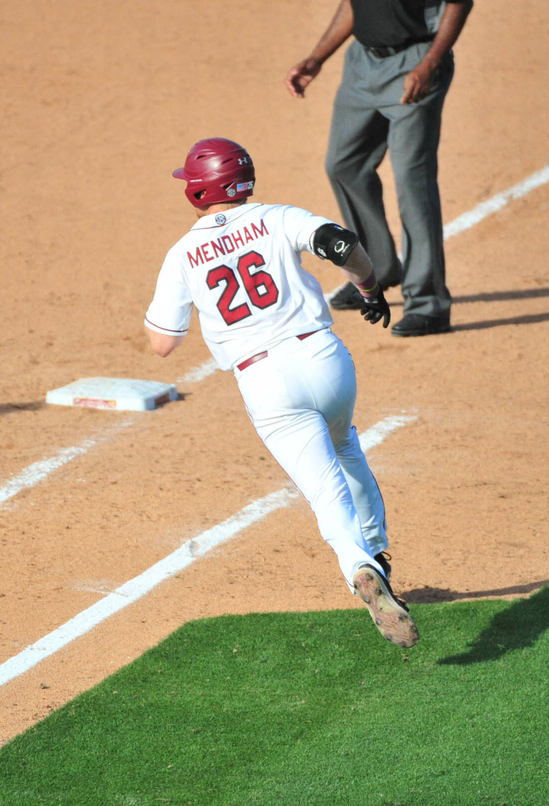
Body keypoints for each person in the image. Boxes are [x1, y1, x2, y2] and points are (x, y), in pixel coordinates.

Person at [144, 137, 418, 648]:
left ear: (199, 192)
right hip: (325, 359)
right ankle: (377, 552)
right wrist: (368, 287)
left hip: (266, 381)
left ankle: (358, 564)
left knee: (323, 489)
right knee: (346, 445)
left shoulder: (182, 254)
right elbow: (340, 243)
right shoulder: (277, 217)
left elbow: (163, 344)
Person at [286, 0, 473, 337]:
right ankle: (379, 269)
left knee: (412, 184)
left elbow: (459, 4)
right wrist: (317, 57)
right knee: (344, 164)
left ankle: (429, 305)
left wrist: (430, 64)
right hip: (362, 63)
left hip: (415, 64)